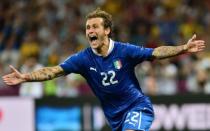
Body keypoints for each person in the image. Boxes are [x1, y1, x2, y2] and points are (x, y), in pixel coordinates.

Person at [2, 8, 205, 131]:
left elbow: (156, 52)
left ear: (106, 30)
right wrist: (26, 77)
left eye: (95, 27)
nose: (90, 31)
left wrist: (183, 49)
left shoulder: (125, 51)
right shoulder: (82, 59)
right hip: (114, 118)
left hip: (138, 106)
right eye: (88, 28)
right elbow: (54, 71)